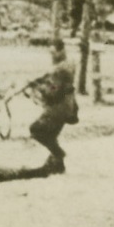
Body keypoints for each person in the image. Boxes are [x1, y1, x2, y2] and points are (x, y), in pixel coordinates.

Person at [28, 38, 78, 173]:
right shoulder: (68, 63)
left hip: (58, 107)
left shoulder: (59, 69)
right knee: (51, 134)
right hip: (68, 106)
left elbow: (53, 91)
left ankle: (58, 155)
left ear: (61, 51)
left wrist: (37, 87)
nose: (52, 56)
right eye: (50, 53)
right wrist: (41, 81)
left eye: (54, 52)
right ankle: (58, 165)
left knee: (36, 130)